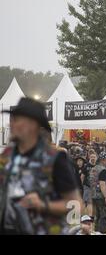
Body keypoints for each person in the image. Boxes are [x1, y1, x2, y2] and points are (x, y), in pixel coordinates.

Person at [0, 97, 81, 235]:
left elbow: (75, 204)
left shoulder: (55, 158)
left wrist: (43, 205)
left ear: (33, 124)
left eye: (17, 119)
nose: (11, 124)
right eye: (11, 119)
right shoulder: (6, 156)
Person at [89, 151, 106, 234]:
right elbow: (102, 183)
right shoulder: (103, 170)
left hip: (94, 195)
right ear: (103, 160)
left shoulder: (94, 168)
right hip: (102, 196)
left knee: (99, 216)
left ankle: (96, 232)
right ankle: (102, 232)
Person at [82, 152, 97, 216]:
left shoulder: (98, 166)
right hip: (87, 186)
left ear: (96, 158)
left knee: (91, 202)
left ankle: (90, 215)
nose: (93, 158)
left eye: (94, 157)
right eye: (91, 157)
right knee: (88, 201)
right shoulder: (86, 166)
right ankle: (90, 216)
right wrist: (82, 185)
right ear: (89, 158)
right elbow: (82, 176)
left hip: (95, 187)